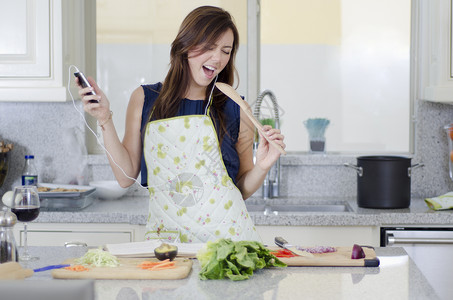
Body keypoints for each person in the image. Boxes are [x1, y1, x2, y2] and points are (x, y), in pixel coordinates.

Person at [77, 6, 285, 243]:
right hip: (167, 245)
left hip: (226, 246)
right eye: (209, 47)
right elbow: (125, 176)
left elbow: (241, 189)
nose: (218, 59)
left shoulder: (235, 106)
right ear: (185, 45)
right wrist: (105, 119)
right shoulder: (145, 99)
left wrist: (263, 167)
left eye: (226, 51)